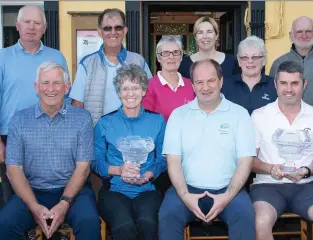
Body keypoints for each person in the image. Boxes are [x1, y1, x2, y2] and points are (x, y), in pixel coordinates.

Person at [0, 62, 100, 240]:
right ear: (36, 87)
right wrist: (34, 206)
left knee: (89, 221)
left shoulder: (82, 119)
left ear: (66, 88)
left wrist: (64, 204)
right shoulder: (19, 120)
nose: (51, 89)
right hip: (32, 190)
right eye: (45, 83)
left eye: (57, 83)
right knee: (3, 223)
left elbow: (83, 169)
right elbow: (13, 170)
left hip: (73, 191)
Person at [0, 5, 69, 204]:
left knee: (47, 198)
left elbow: (66, 99)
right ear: (17, 25)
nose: (31, 27)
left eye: (37, 23)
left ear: (44, 28)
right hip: (11, 138)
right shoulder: (0, 58)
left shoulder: (56, 57)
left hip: (50, 137)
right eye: (27, 22)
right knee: (15, 201)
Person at [158, 59, 256, 240]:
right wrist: (185, 195)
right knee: (167, 216)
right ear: (193, 86)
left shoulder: (240, 114)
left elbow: (245, 162)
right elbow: (173, 161)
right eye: (199, 82)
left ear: (221, 81)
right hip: (186, 189)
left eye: (210, 80)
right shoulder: (179, 115)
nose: (205, 87)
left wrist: (227, 196)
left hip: (229, 189)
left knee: (245, 217)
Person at [251, 61, 313, 240]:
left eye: (295, 83)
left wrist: (306, 171)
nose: (289, 89)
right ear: (275, 84)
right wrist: (271, 169)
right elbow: (250, 160)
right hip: (267, 185)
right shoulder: (259, 116)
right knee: (260, 221)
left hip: (306, 185)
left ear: (304, 84)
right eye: (283, 83)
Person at [92, 64, 166, 240]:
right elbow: (95, 161)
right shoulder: (104, 123)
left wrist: (149, 173)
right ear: (118, 92)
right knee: (124, 226)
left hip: (147, 190)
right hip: (114, 191)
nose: (130, 93)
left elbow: (163, 159)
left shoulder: (157, 121)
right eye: (125, 88)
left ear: (143, 91)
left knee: (148, 224)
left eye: (135, 88)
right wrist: (118, 170)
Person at [70, 8, 152, 125]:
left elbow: (150, 97)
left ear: (125, 31)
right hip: (98, 135)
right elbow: (77, 105)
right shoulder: (87, 64)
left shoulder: (138, 61)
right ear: (99, 32)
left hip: (133, 132)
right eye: (107, 28)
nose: (113, 32)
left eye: (118, 27)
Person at [142, 35, 195, 122]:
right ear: (159, 57)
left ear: (181, 56)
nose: (171, 56)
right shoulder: (149, 86)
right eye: (166, 53)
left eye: (176, 52)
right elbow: (148, 121)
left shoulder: (191, 85)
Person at [222, 36, 276, 115]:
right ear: (239, 61)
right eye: (245, 57)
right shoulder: (225, 85)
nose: (250, 61)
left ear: (264, 60)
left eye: (255, 57)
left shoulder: (275, 86)